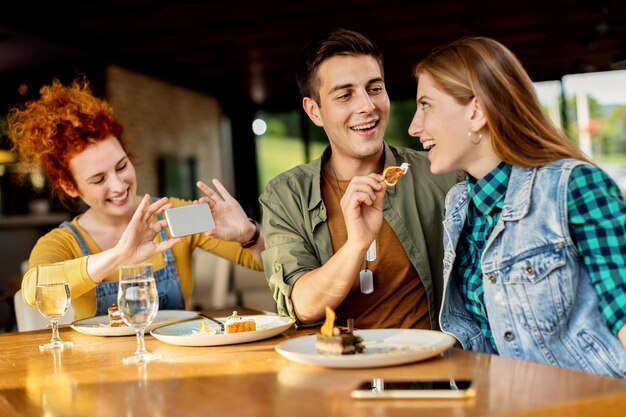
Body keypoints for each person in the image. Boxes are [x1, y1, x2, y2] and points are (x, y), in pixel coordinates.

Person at [408, 36, 626, 377]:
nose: (414, 127)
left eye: (426, 105)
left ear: (476, 111)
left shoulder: (574, 187)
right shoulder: (459, 206)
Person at [7, 78, 264, 320]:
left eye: (121, 167)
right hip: (100, 366)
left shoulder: (172, 214)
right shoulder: (65, 243)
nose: (119, 186)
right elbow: (33, 291)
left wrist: (250, 235)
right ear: (69, 186)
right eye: (98, 180)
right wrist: (120, 255)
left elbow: (267, 263)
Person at [259, 28, 460, 329]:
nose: (367, 106)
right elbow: (302, 307)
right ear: (314, 111)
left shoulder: (440, 173)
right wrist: (356, 245)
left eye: (375, 88)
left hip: (432, 370)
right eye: (345, 95)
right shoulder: (285, 195)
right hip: (338, 371)